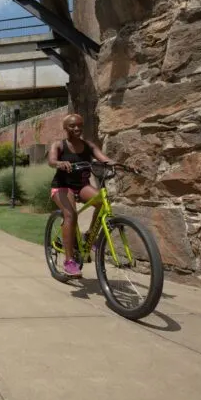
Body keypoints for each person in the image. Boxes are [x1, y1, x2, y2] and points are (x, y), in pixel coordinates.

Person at [47, 113, 114, 278]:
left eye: (79, 125)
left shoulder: (88, 145)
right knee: (71, 215)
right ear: (65, 128)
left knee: (102, 202)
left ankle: (90, 235)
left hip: (82, 186)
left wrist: (117, 164)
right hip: (62, 186)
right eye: (72, 126)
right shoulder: (59, 145)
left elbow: (104, 159)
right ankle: (69, 261)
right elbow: (51, 161)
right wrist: (59, 163)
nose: (77, 128)